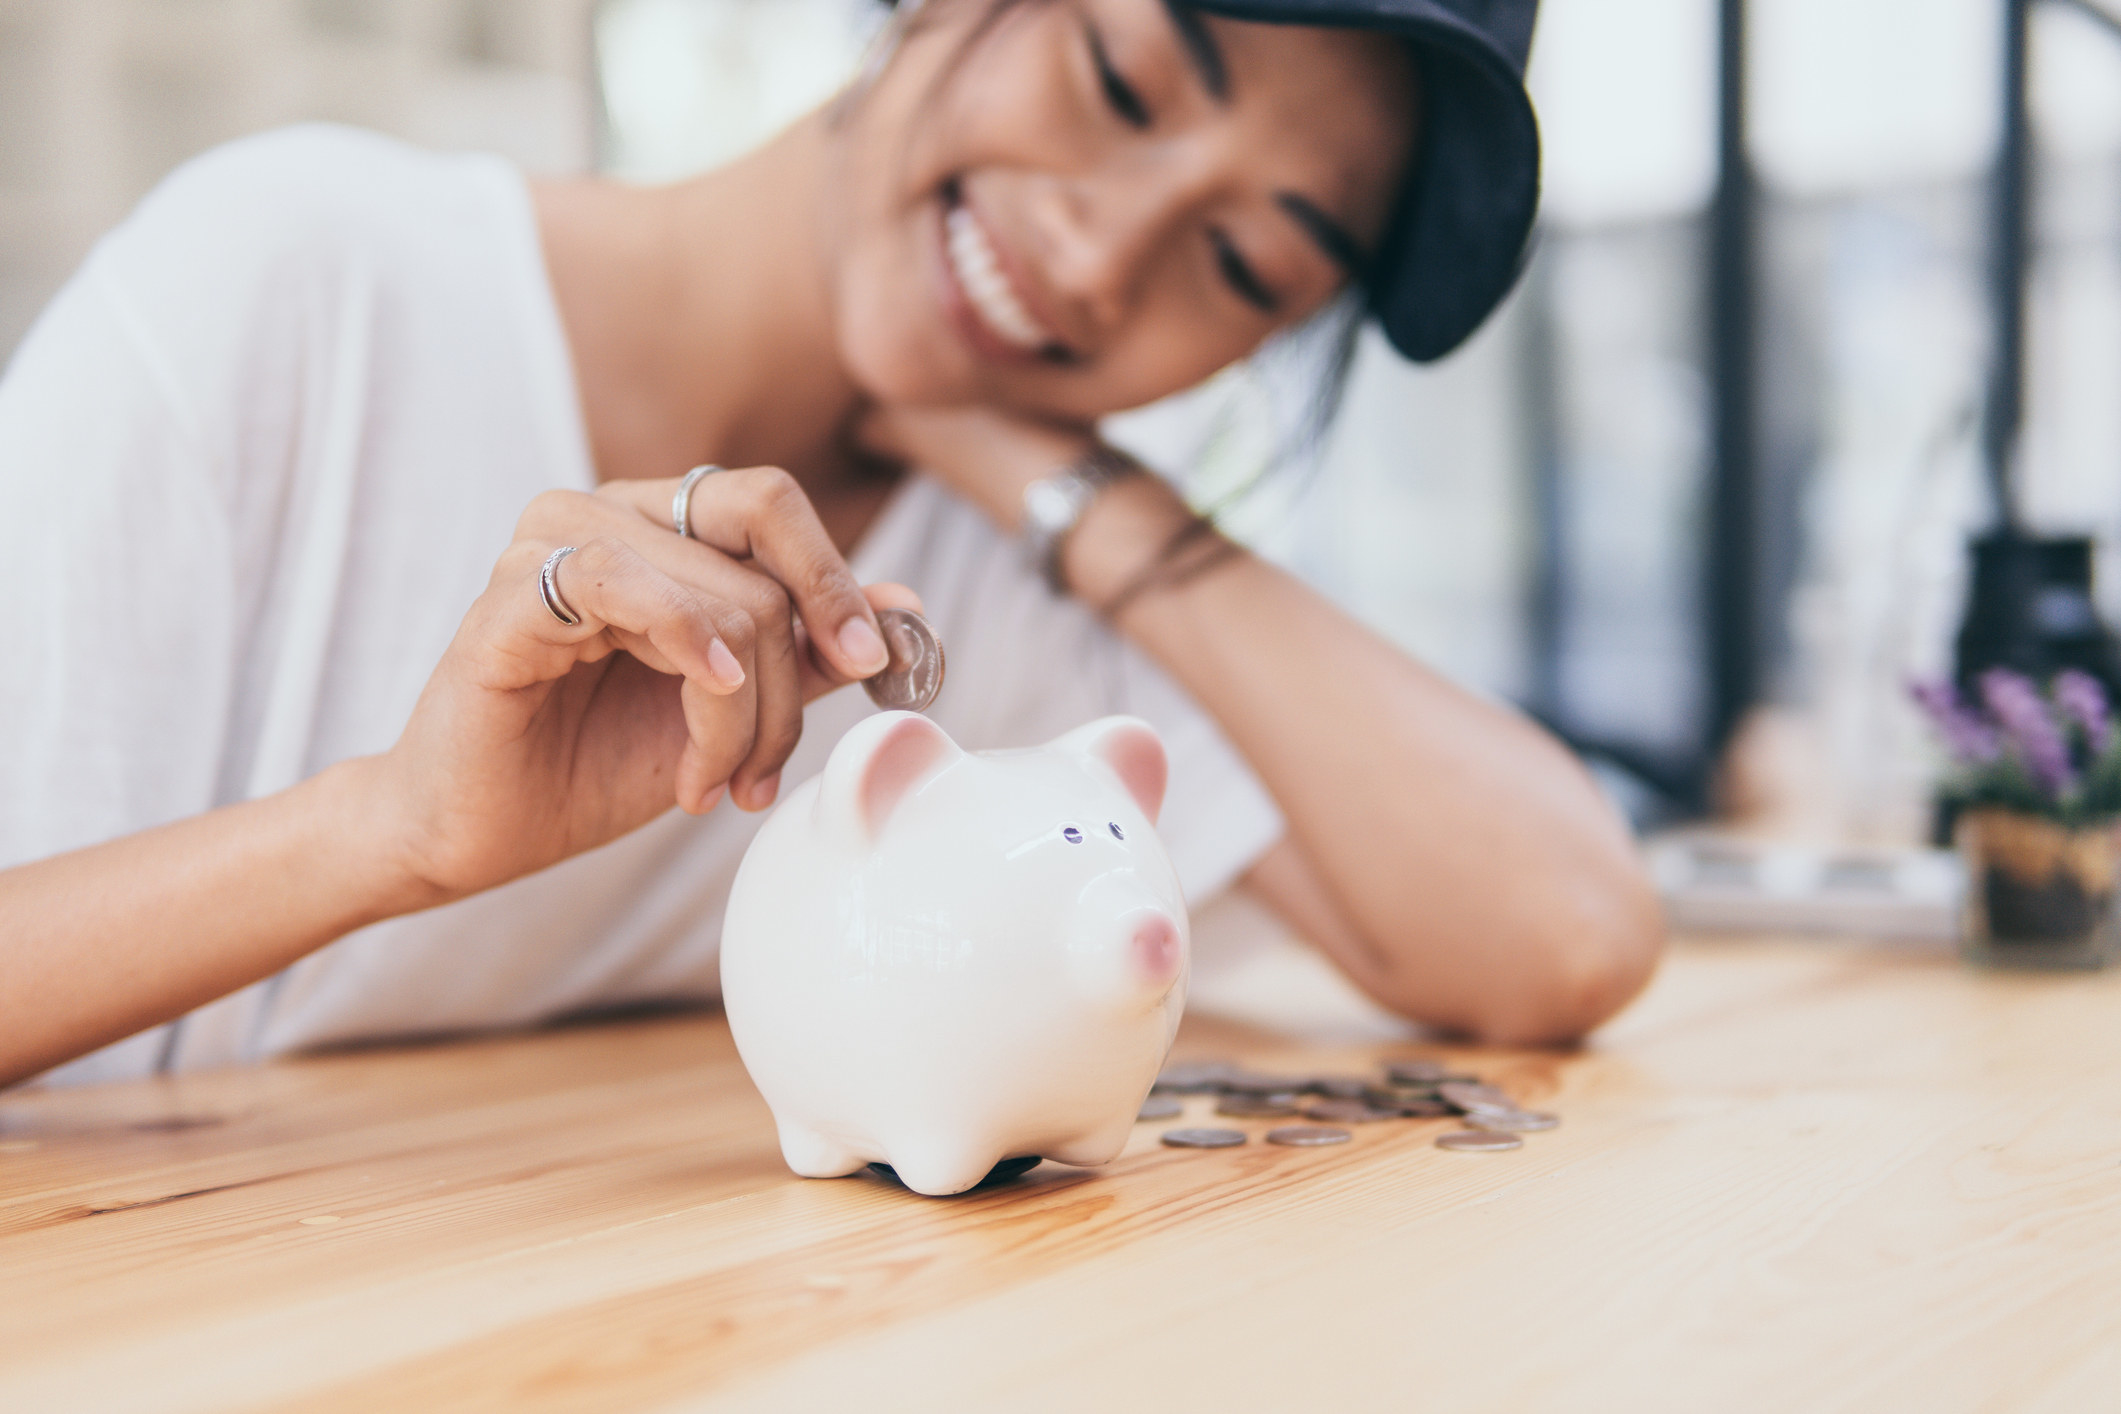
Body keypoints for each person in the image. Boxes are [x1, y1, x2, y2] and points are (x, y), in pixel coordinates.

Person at [0, 0, 1661, 1090]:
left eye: (1239, 269)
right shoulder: (299, 280)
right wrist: (392, 830)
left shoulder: (1014, 584)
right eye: (1119, 82)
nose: (1099, 258)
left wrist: (1083, 492)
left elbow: (1562, 931)